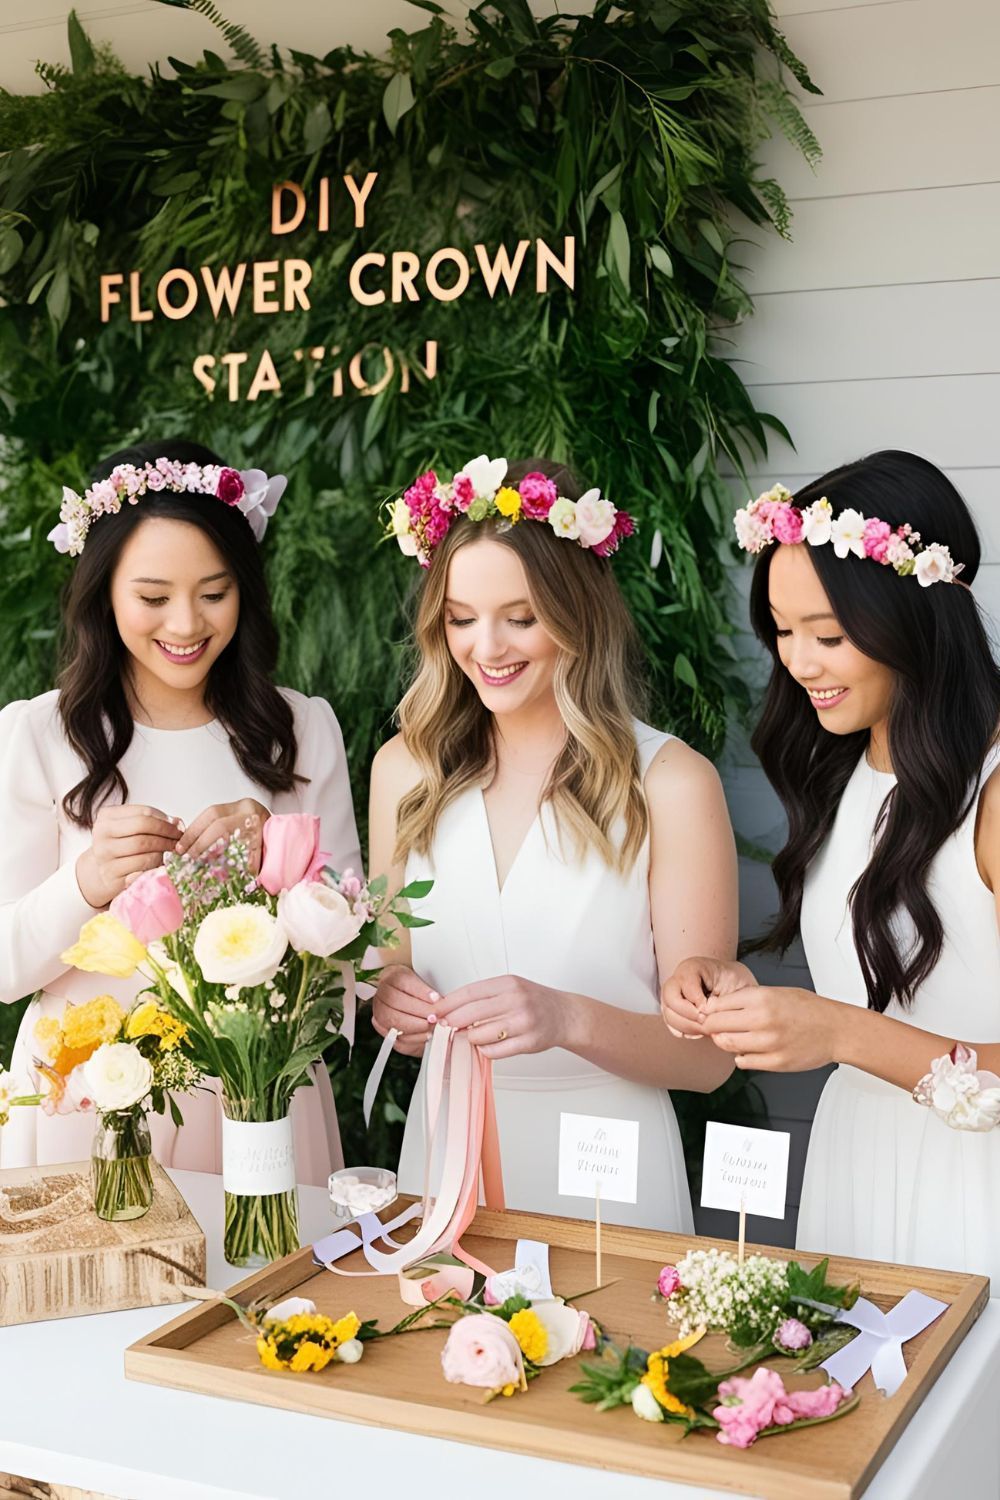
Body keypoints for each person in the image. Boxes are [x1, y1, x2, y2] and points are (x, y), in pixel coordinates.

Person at [369, 455, 737, 1230]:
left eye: (522, 616)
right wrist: (387, 1000)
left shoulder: (671, 782)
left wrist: (568, 1019)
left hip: (608, 1167)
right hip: (443, 1152)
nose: (487, 646)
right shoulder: (404, 769)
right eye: (461, 617)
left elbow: (708, 1059)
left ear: (577, 613)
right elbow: (387, 965)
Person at [662, 452, 1000, 1278]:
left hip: (975, 1188)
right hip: (857, 1162)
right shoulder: (844, 773)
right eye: (782, 631)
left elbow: (857, 1022)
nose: (797, 663)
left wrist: (838, 1030)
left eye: (829, 635)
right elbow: (864, 984)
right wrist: (737, 996)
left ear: (916, 619)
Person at [0, 440, 361, 1178]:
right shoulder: (39, 733)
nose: (187, 624)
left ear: (245, 590)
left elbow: (355, 967)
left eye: (214, 593)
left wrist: (279, 862)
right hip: (88, 1103)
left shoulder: (299, 730)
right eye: (154, 597)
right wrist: (87, 881)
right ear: (104, 592)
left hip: (260, 1102)